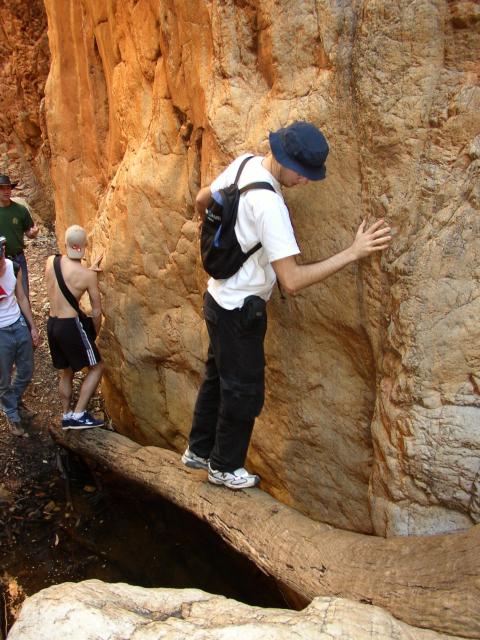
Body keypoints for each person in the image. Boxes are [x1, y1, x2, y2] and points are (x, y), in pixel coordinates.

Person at [182, 121, 392, 490]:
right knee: (243, 391)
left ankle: (197, 451)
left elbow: (203, 199)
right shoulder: (271, 207)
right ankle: (224, 467)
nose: (307, 181)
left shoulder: (246, 164)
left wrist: (225, 240)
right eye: (304, 173)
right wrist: (352, 253)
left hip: (216, 298)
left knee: (217, 378)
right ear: (283, 158)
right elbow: (291, 281)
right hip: (238, 313)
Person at [45, 225, 104, 430]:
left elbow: (68, 271)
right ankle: (78, 415)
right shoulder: (88, 276)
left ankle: (66, 414)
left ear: (66, 243)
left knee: (66, 371)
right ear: (84, 247)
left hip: (52, 324)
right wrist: (93, 334)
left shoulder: (51, 261)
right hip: (71, 326)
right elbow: (96, 311)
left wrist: (88, 270)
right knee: (97, 367)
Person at [0, 236, 39, 436]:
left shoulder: (14, 268)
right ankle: (12, 414)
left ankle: (12, 401)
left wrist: (32, 327)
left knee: (26, 370)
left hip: (18, 323)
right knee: (3, 378)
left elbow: (22, 297)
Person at [0, 174, 39, 297]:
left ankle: (26, 316)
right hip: (0, 260)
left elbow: (29, 232)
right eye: (2, 188)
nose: (6, 191)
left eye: (8, 188)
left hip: (18, 258)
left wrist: (33, 233)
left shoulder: (20, 210)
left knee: (23, 292)